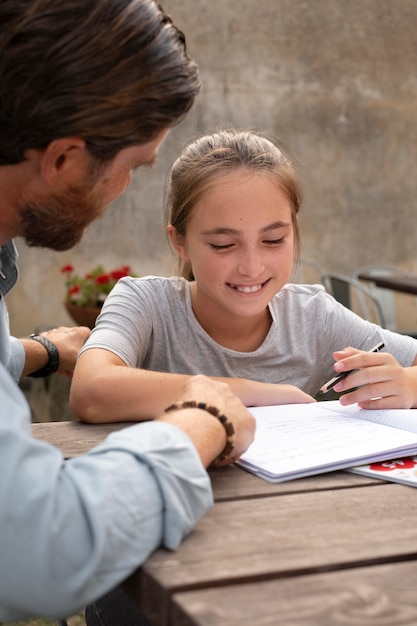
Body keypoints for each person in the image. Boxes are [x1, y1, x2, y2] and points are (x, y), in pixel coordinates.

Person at [0, 3, 256, 622]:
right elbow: (37, 550)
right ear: (63, 159)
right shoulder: (143, 298)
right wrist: (201, 418)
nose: (249, 265)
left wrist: (37, 351)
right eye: (133, 169)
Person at [71, 128, 417, 425]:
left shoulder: (312, 315)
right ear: (180, 242)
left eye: (273, 240)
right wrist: (256, 394)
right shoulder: (146, 305)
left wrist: (407, 383)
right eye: (223, 245)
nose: (252, 267)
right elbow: (90, 390)